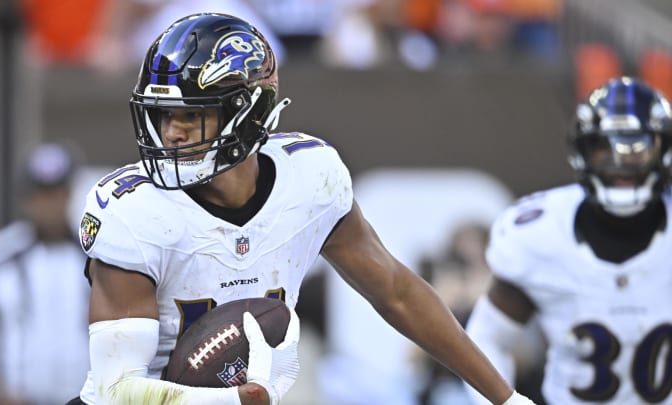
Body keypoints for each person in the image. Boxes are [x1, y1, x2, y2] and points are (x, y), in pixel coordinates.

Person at [68, 12, 536, 405]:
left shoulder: (309, 180)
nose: (172, 133)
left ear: (248, 112)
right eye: (164, 115)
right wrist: (236, 400)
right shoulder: (135, 213)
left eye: (192, 114)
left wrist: (506, 398)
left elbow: (396, 292)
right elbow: (116, 391)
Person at [464, 76, 672, 404]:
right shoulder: (540, 235)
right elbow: (487, 339)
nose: (620, 161)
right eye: (604, 147)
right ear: (582, 151)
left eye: (636, 146)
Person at [0, 142, 90, 405]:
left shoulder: (95, 260)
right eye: (41, 194)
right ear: (27, 199)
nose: (49, 205)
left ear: (70, 194)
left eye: (57, 193)